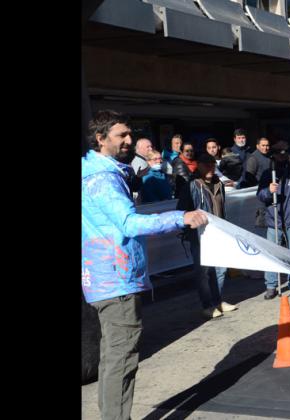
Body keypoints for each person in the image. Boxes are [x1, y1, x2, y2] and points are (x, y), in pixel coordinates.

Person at [82, 110, 208, 420]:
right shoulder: (103, 178)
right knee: (121, 358)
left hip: (102, 278)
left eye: (129, 134)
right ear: (100, 139)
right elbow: (129, 223)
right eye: (121, 135)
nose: (128, 140)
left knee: (113, 357)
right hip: (117, 278)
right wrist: (181, 217)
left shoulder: (93, 172)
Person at [176, 153, 236, 319]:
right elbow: (181, 210)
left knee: (220, 270)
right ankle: (207, 305)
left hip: (218, 233)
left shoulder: (219, 184)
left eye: (212, 164)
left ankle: (217, 301)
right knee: (203, 272)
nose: (210, 167)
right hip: (200, 236)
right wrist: (191, 226)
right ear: (198, 165)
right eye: (205, 164)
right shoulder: (191, 186)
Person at [257, 141, 290, 299]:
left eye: (284, 152)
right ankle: (271, 285)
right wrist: (268, 191)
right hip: (275, 218)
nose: (281, 155)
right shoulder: (268, 173)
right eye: (278, 152)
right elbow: (260, 195)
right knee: (272, 253)